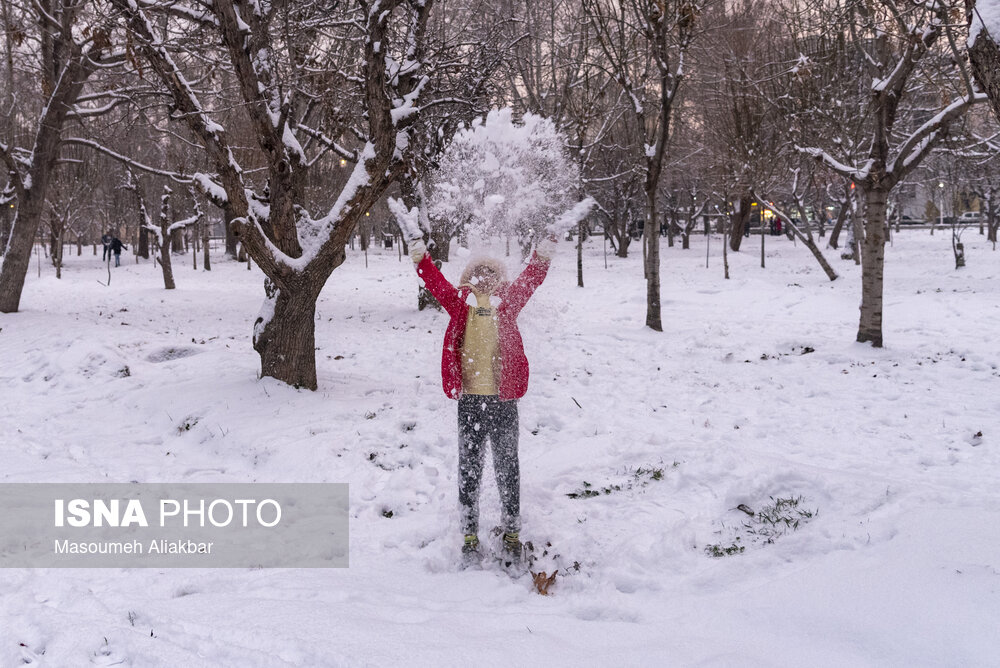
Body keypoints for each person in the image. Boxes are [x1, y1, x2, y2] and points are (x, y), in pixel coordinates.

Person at [409, 236, 556, 566]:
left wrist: (542, 255)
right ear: (468, 278)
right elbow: (435, 284)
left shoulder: (508, 303)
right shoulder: (460, 304)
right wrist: (420, 259)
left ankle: (512, 534)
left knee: (507, 467)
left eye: (491, 272)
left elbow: (531, 280)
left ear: (500, 278)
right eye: (478, 272)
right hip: (471, 403)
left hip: (504, 401)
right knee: (470, 468)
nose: (484, 277)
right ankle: (470, 536)